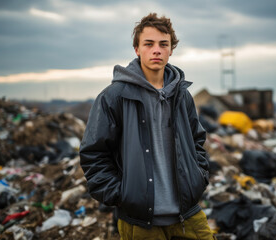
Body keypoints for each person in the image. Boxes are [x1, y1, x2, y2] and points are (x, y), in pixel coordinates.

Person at [80, 13, 214, 239]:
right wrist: (124, 195)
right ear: (136, 49)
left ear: (171, 50)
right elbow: (93, 154)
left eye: (164, 44)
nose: (157, 50)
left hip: (187, 214)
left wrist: (197, 177)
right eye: (149, 44)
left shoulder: (182, 96)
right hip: (140, 221)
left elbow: (197, 141)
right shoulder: (114, 97)